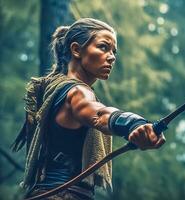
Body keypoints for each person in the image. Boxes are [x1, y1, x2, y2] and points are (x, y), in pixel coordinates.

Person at [12, 18, 166, 200]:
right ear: (76, 50)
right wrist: (134, 124)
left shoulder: (56, 90)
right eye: (103, 47)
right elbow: (99, 114)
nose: (112, 56)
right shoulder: (77, 92)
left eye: (114, 51)